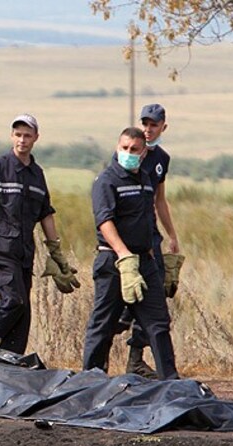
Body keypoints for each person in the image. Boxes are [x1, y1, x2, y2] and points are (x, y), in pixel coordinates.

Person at [0, 114, 79, 361]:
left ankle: (8, 361)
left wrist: (57, 254)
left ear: (35, 138)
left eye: (27, 135)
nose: (22, 140)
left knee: (24, 312)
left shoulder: (37, 175)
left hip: (25, 250)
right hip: (1, 246)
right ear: (12, 136)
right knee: (14, 300)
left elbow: (46, 215)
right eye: (18, 134)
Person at [84, 127, 179, 380]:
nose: (128, 153)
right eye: (124, 148)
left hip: (145, 262)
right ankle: (90, 382)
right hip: (113, 262)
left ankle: (170, 382)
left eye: (134, 149)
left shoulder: (146, 180)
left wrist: (153, 252)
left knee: (158, 324)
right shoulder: (106, 181)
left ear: (144, 152)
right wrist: (124, 256)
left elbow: (149, 216)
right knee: (103, 324)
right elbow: (105, 221)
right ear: (117, 147)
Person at [114, 104, 183, 378]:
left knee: (155, 297)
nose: (148, 128)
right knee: (120, 301)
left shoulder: (161, 159)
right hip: (127, 236)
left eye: (153, 124)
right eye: (145, 123)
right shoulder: (128, 153)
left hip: (150, 234)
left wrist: (172, 235)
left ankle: (136, 359)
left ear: (163, 127)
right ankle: (95, 369)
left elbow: (160, 200)